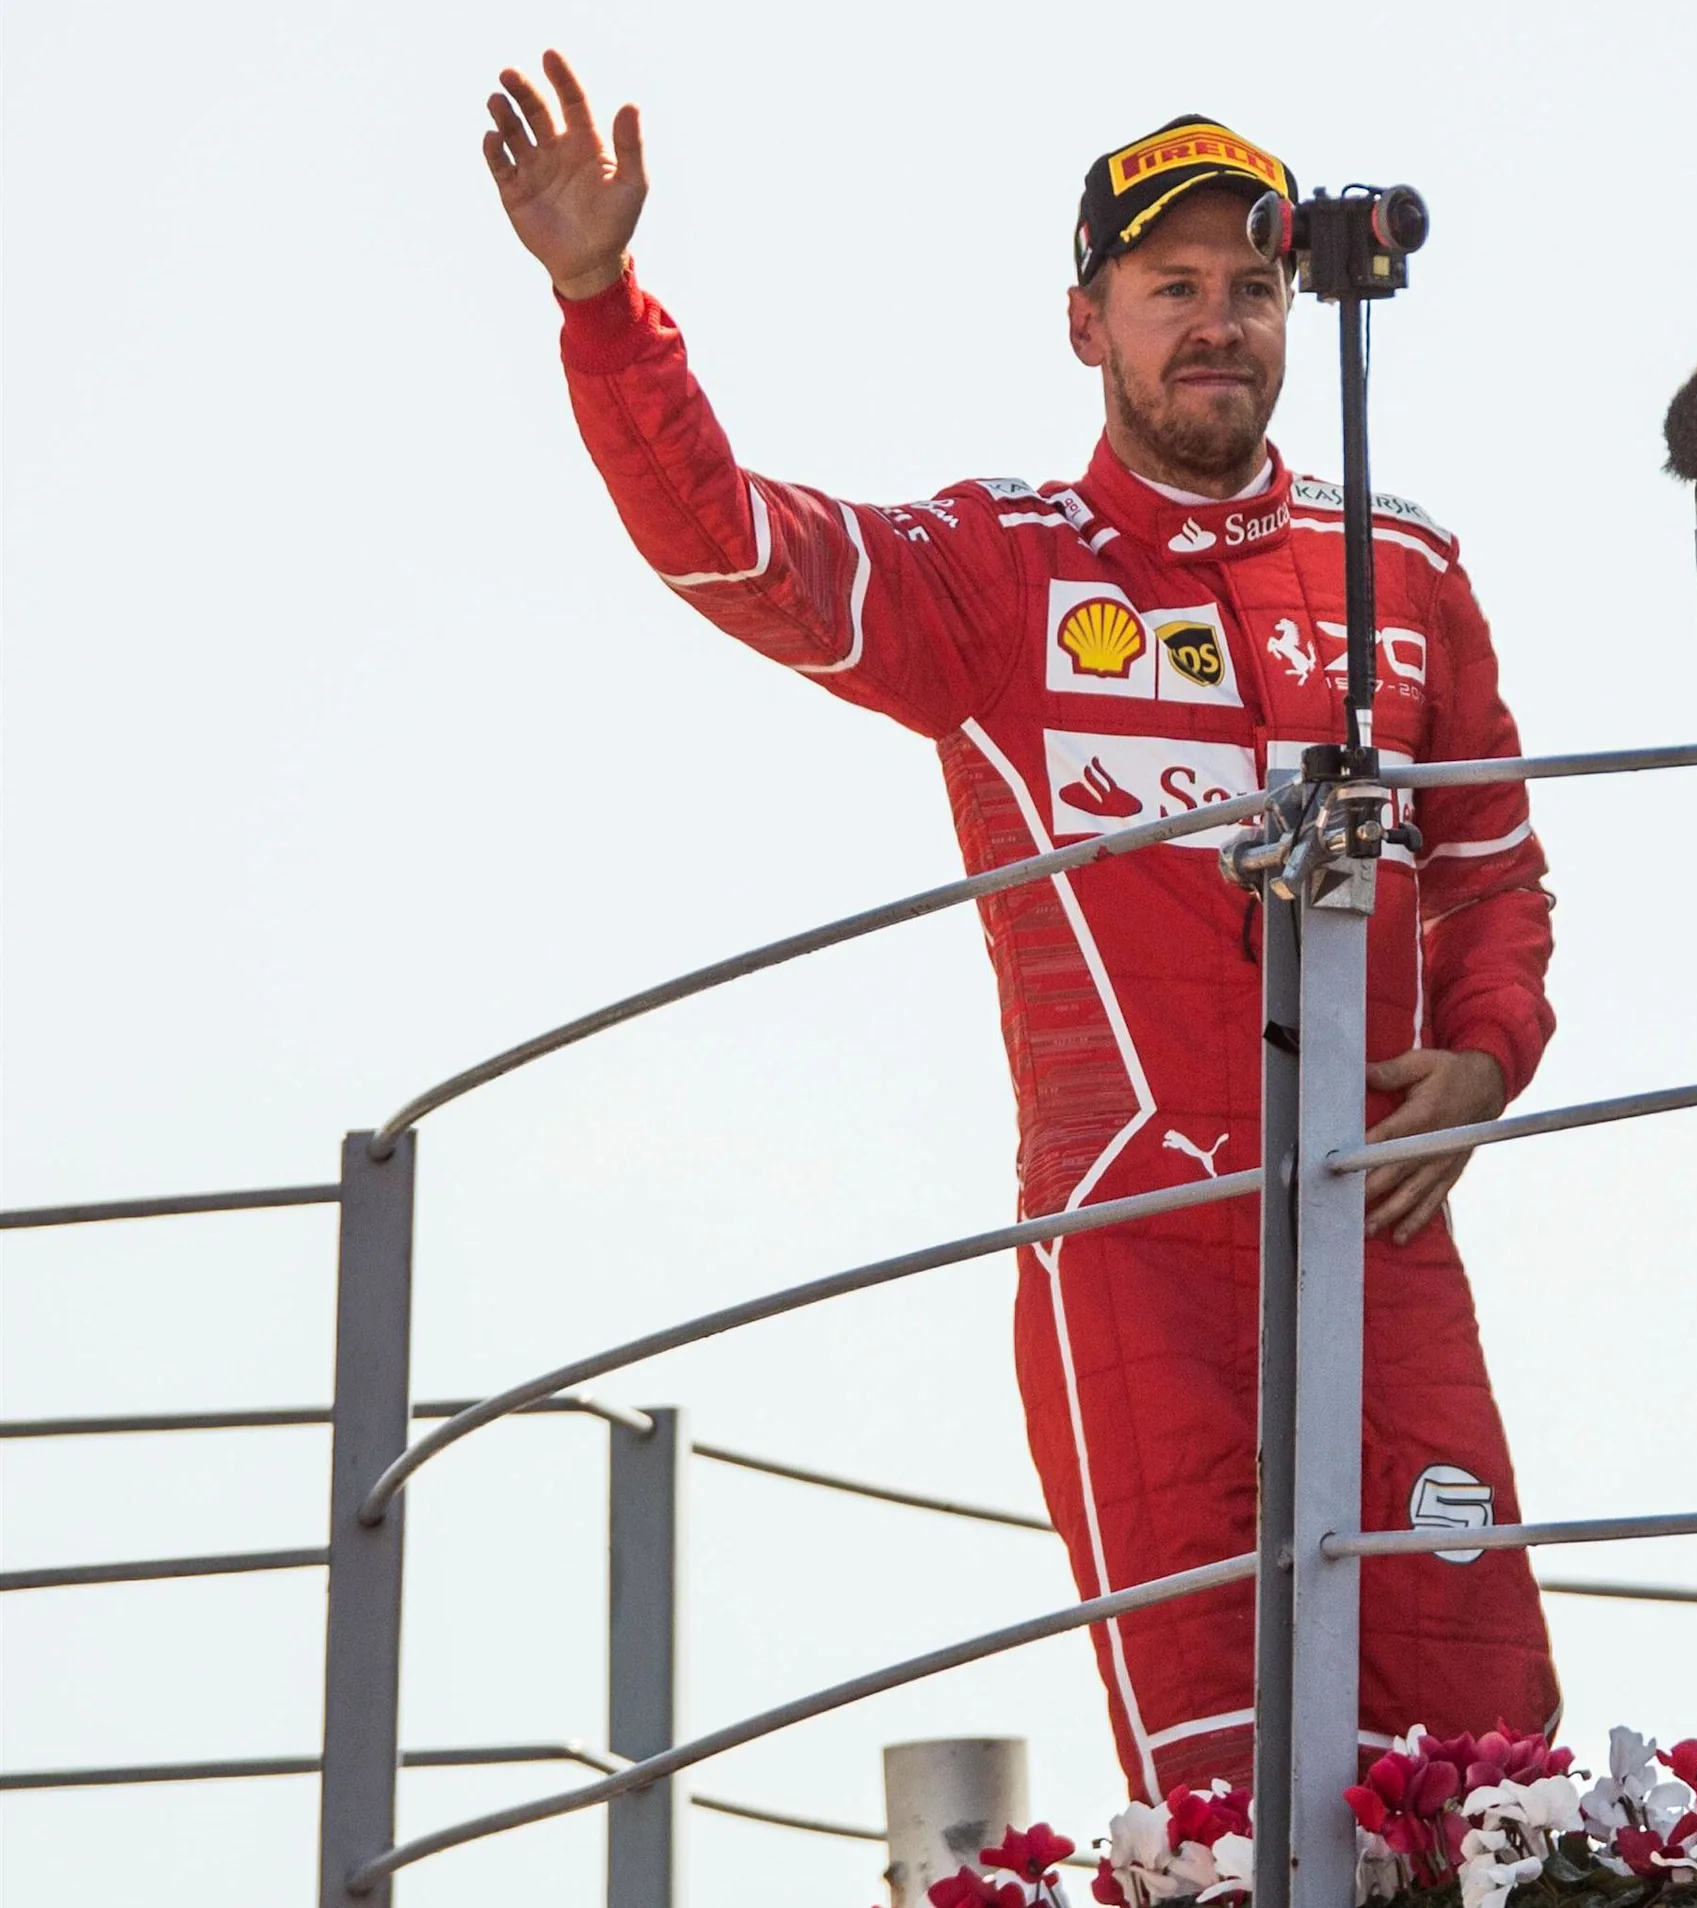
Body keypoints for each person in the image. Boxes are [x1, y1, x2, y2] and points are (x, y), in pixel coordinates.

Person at [480, 53, 1562, 1797]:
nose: (1221, 326)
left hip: (1381, 1232)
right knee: (1229, 1790)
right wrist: (603, 305)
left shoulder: (1404, 564)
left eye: (1254, 289)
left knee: (1490, 1764)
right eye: (1174, 290)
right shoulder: (1001, 569)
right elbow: (735, 547)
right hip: (1136, 1241)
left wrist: (1495, 1051)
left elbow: (1498, 872)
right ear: (1088, 323)